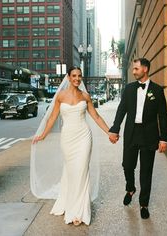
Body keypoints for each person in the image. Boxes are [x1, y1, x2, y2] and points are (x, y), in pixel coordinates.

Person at [31, 66, 110, 226]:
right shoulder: (60, 96)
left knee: (81, 170)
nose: (77, 78)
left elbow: (96, 116)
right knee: (71, 171)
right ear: (68, 77)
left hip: (84, 137)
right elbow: (52, 118)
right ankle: (70, 203)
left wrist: (110, 132)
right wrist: (43, 134)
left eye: (79, 76)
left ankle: (78, 211)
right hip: (67, 138)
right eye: (74, 75)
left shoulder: (85, 96)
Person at [109, 58, 167, 219]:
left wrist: (164, 138)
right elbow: (121, 111)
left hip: (149, 135)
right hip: (131, 132)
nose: (133, 71)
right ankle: (130, 188)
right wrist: (115, 129)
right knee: (127, 165)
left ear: (145, 69)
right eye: (133, 69)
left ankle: (144, 204)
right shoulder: (129, 89)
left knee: (146, 170)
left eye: (136, 69)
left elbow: (163, 116)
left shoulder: (157, 90)